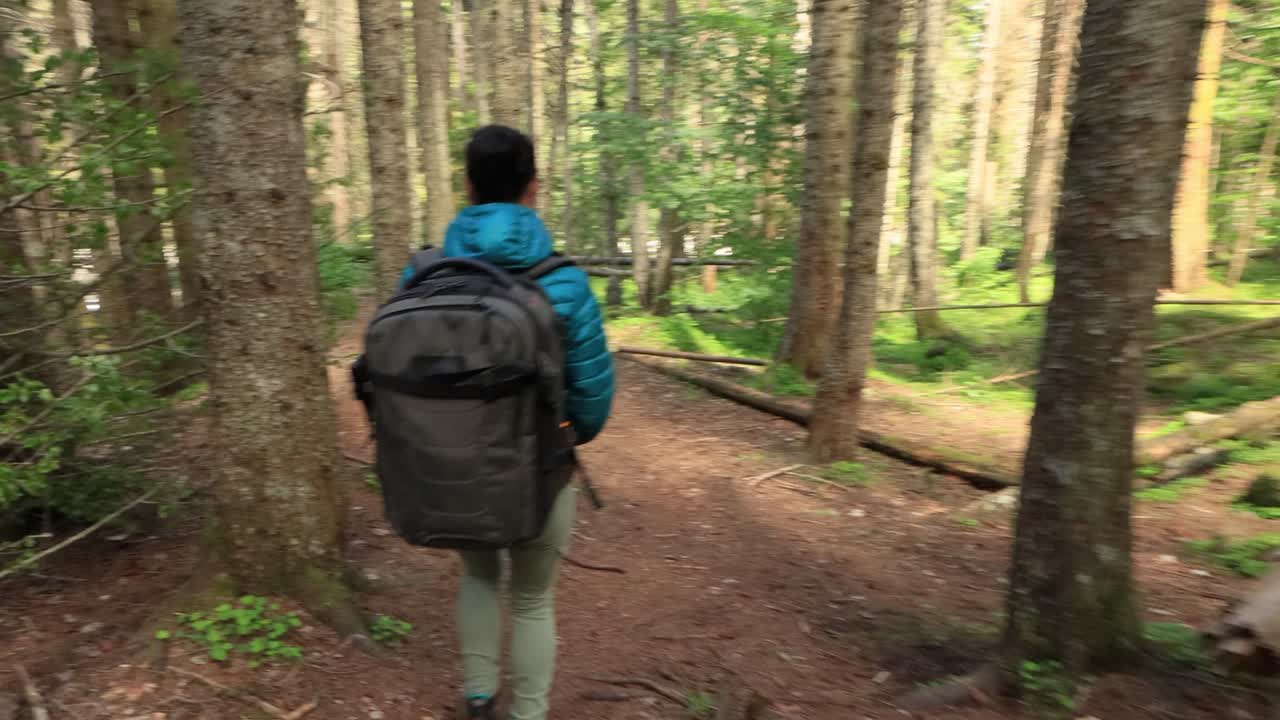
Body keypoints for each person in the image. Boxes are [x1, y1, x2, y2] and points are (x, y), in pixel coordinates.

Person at [415, 125, 615, 720]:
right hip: (539, 471)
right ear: (534, 186)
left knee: (477, 578)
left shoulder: (425, 273)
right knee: (531, 599)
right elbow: (594, 402)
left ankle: (479, 699)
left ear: (469, 186)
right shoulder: (564, 282)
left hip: (451, 467)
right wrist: (566, 434)